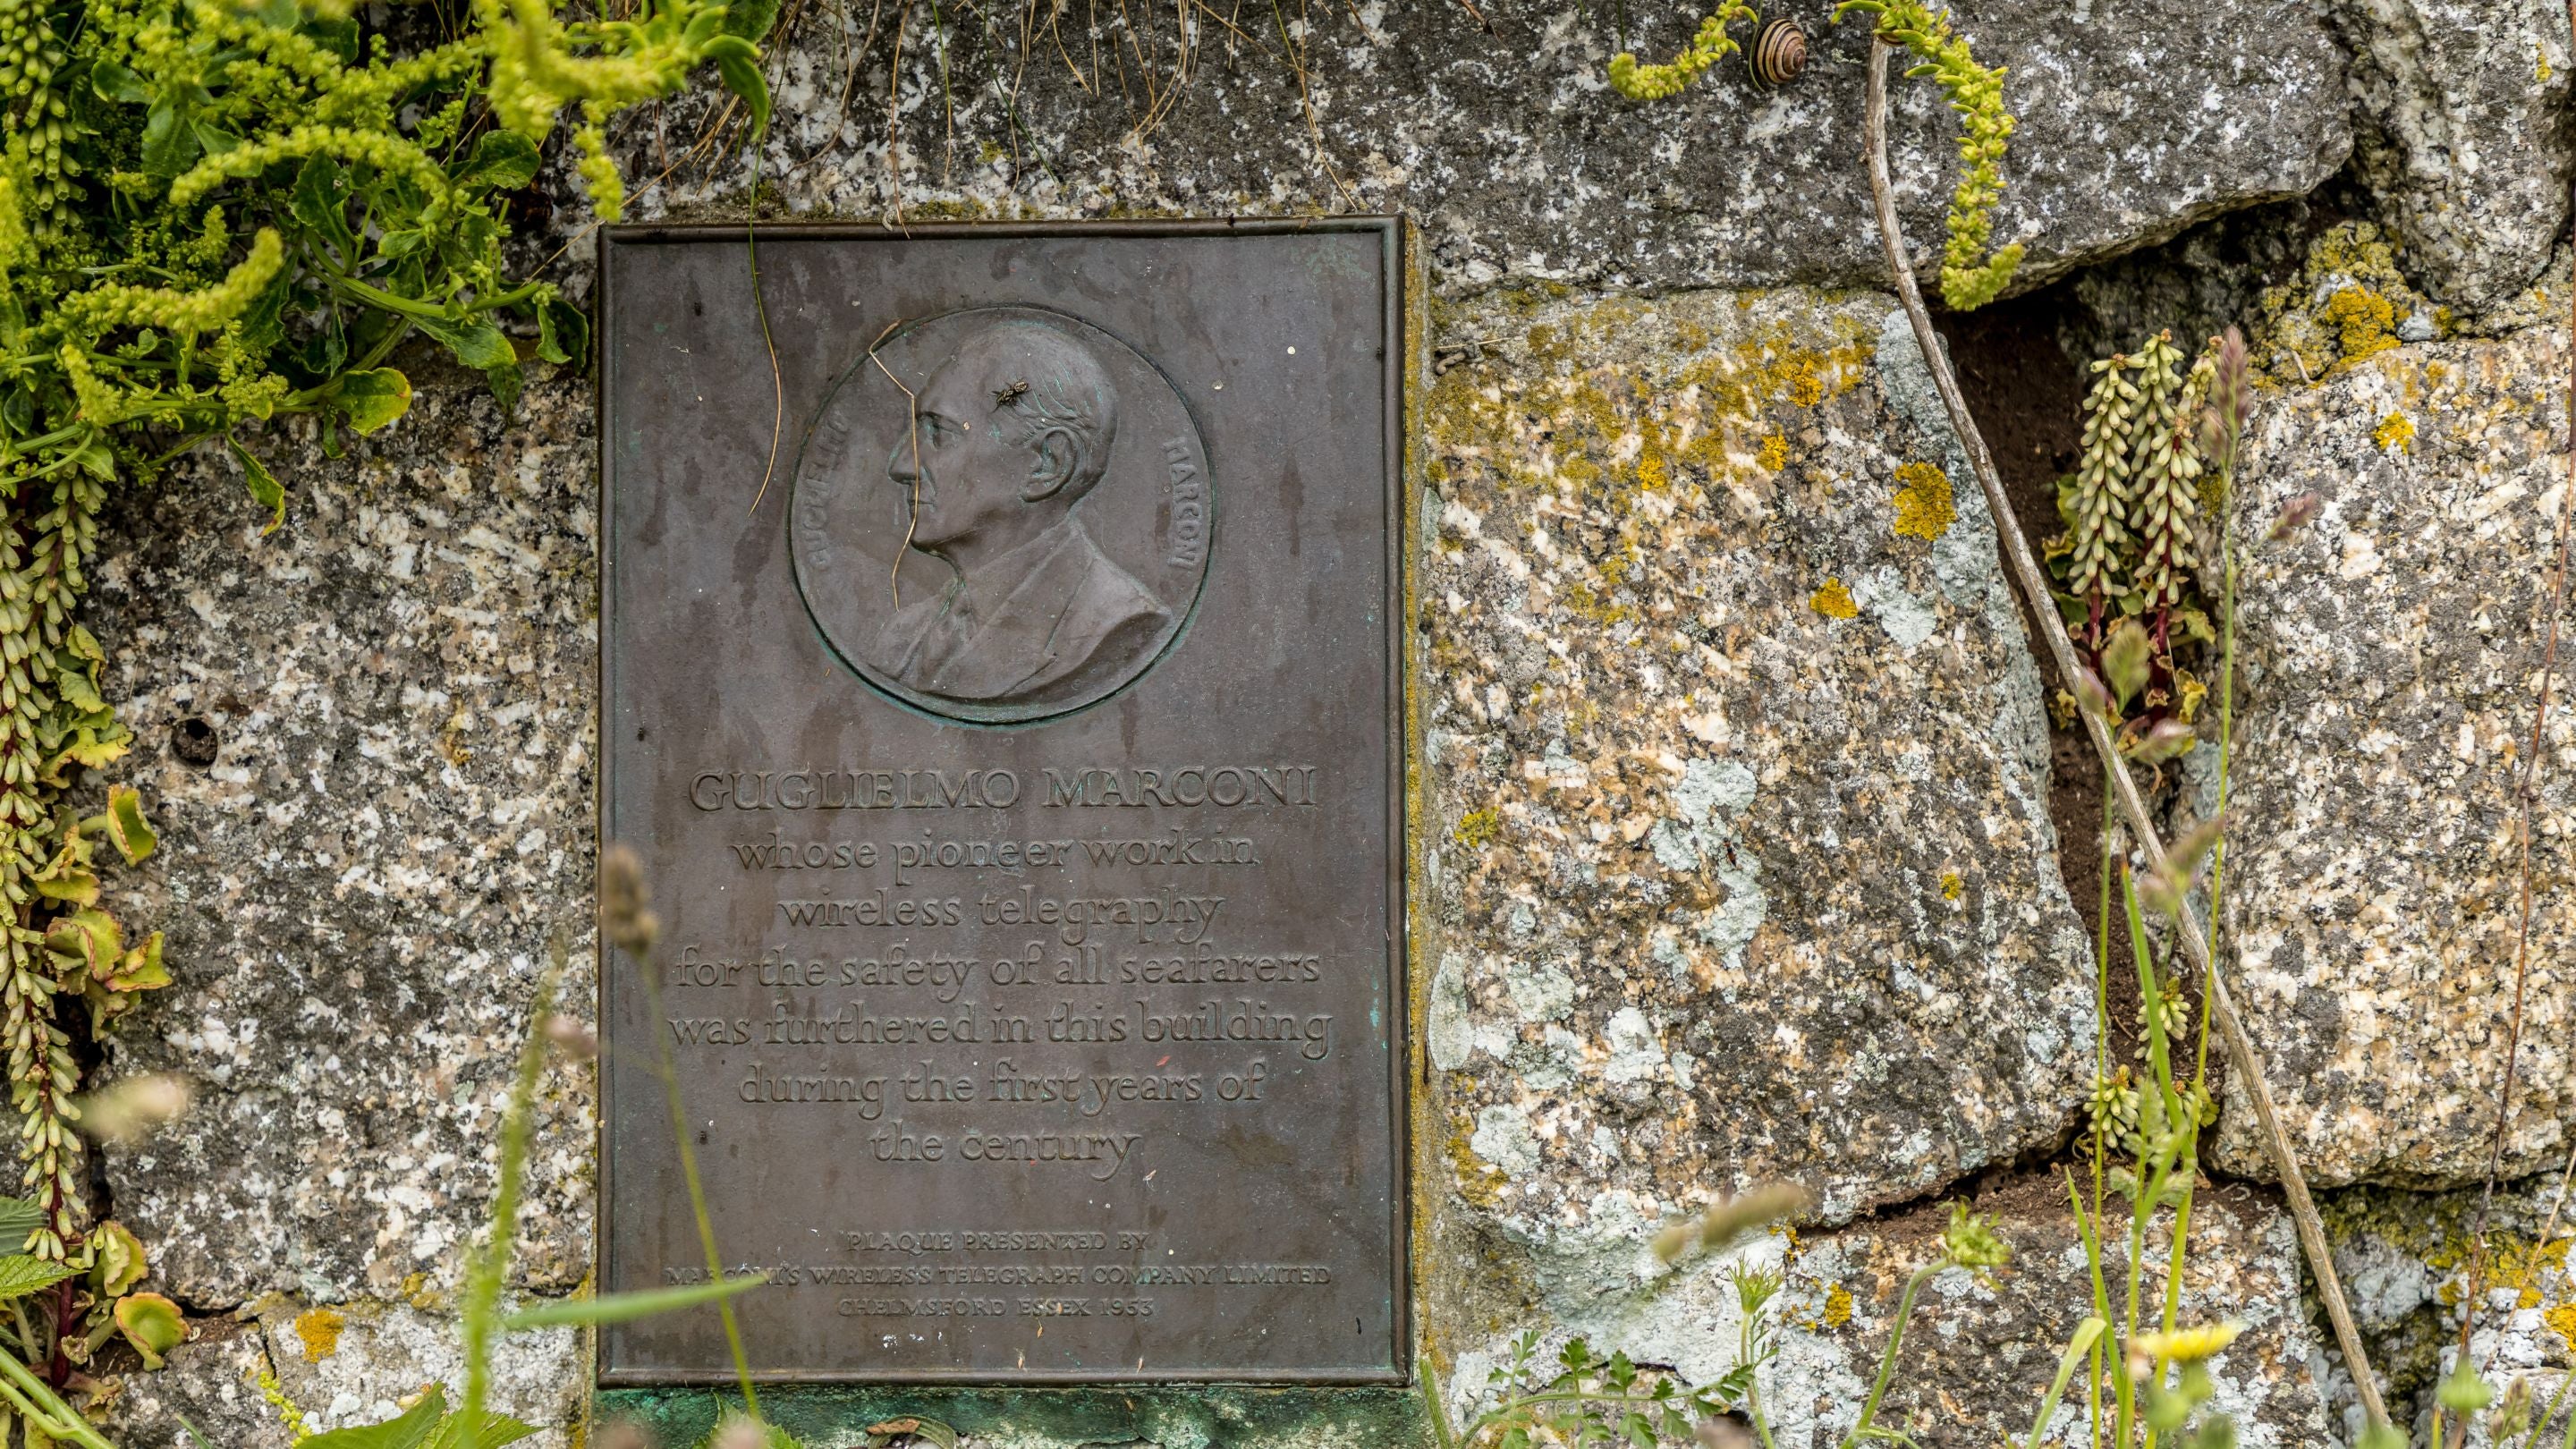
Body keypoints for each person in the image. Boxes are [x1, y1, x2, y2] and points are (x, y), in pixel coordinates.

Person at [869, 319, 1169, 707]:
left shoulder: (1115, 624)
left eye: (939, 433)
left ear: (1047, 465)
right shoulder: (900, 640)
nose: (901, 466)